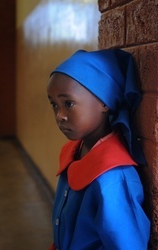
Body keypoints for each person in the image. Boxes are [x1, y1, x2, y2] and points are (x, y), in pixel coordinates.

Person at [47, 49, 150, 249]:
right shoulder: (76, 154)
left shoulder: (113, 179)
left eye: (68, 103)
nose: (60, 115)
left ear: (104, 101)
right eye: (54, 105)